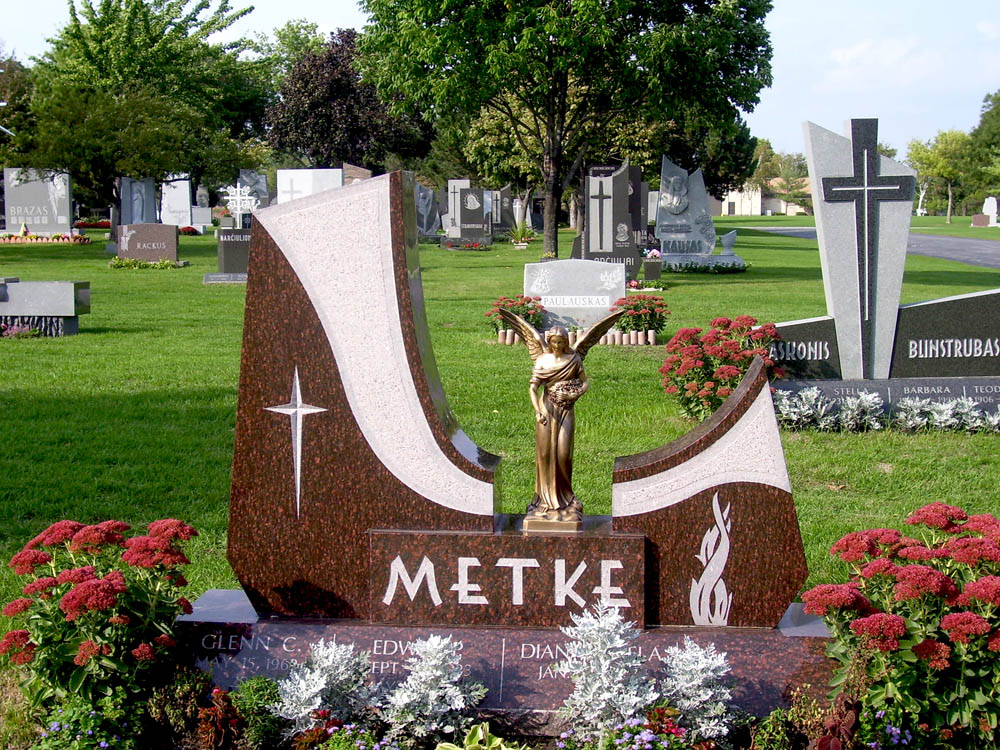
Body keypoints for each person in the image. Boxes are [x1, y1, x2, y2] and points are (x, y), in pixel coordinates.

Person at [527, 327, 587, 522]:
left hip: (566, 410)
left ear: (566, 342)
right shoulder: (543, 360)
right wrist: (537, 410)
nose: (557, 346)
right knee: (544, 454)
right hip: (546, 409)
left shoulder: (574, 360)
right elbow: (533, 388)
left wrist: (574, 394)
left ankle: (566, 499)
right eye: (554, 342)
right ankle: (543, 500)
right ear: (549, 342)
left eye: (561, 342)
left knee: (563, 454)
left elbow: (585, 382)